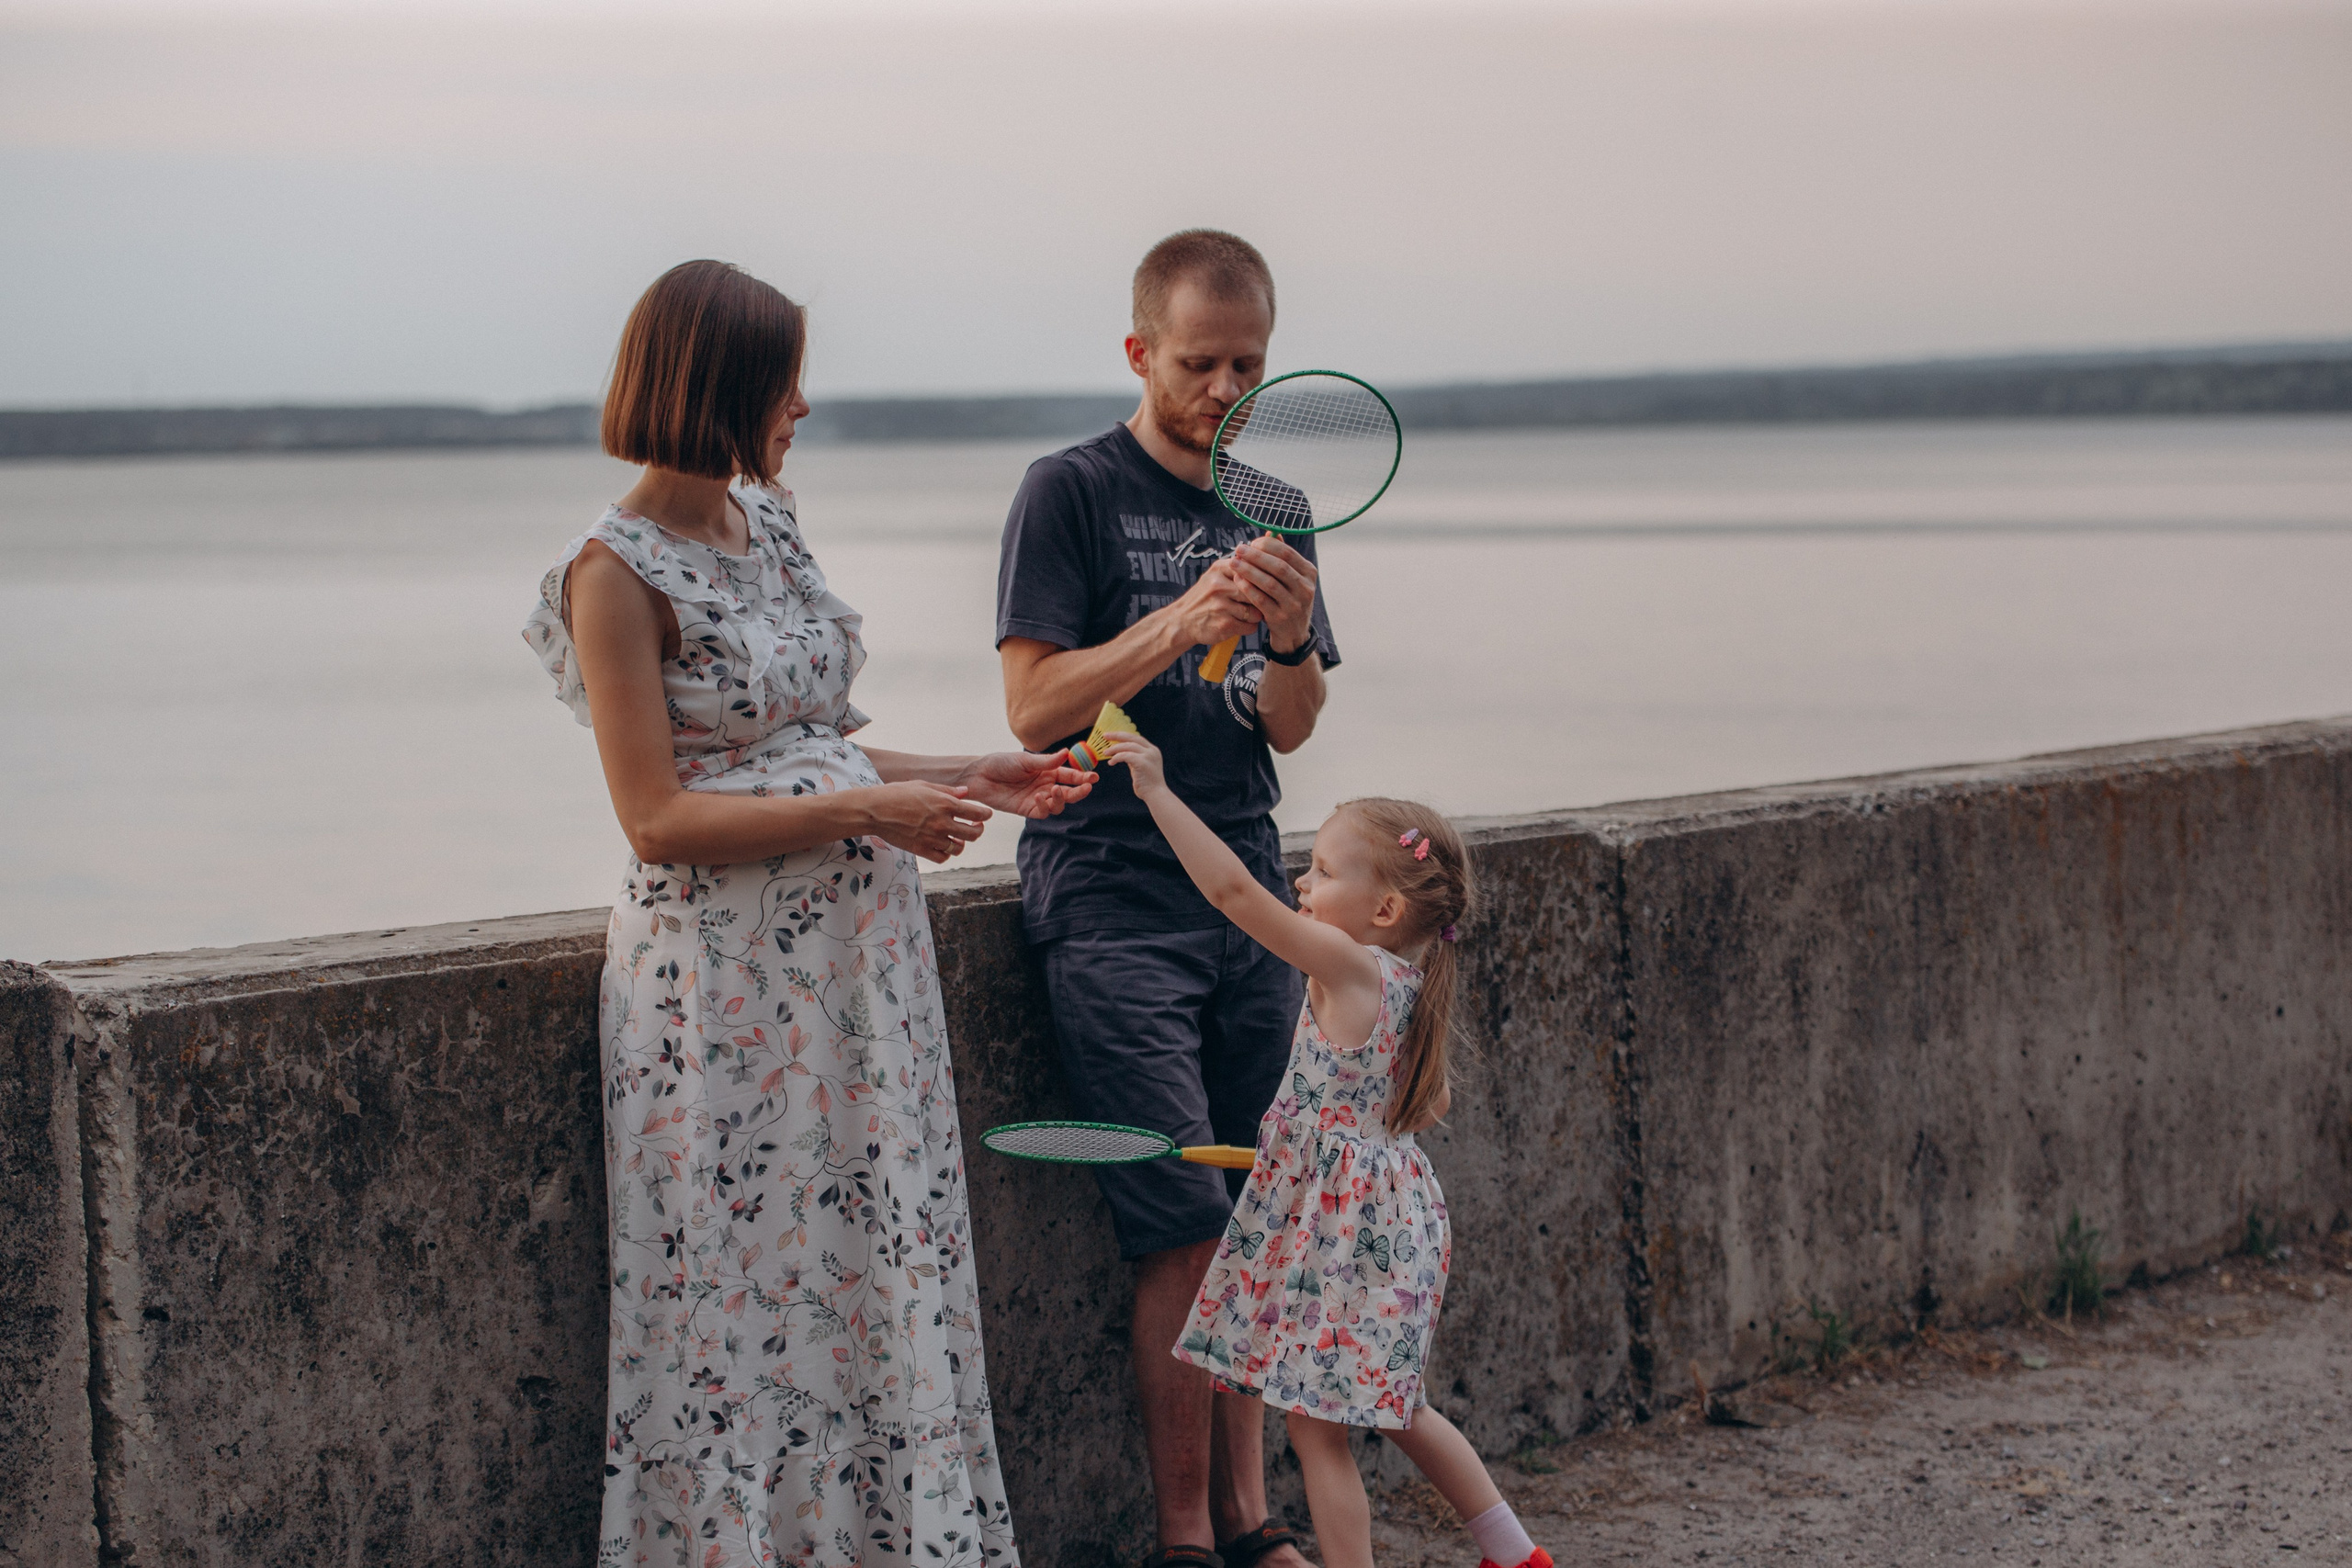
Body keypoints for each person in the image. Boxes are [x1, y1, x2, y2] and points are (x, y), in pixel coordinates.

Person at [525, 259, 1091, 1566]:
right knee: (742, 1297)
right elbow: (656, 816)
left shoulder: (770, 524)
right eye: (784, 383)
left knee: (868, 1275)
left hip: (855, 981)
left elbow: (814, 745)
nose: (802, 408)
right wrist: (870, 812)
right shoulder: (610, 573)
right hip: (722, 992)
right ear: (718, 385)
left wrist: (964, 774)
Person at [994, 230, 1338, 1568]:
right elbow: (1032, 704)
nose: (1225, 390)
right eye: (1199, 363)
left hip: (1250, 893)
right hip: (1113, 898)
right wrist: (1181, 616)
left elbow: (1292, 724)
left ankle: (1252, 1523)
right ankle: (1186, 1538)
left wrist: (1290, 635)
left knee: (1254, 1217)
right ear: (1140, 352)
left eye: (1249, 365)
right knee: (1182, 1223)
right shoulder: (1069, 490)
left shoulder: (1279, 505)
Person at [1096, 735, 1552, 1568]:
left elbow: (1233, 891)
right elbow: (1421, 1105)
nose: (1302, 882)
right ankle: (1517, 1554)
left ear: (1385, 909)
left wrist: (1157, 790)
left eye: (1324, 870)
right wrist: (1308, 1151)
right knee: (1400, 1406)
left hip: (1346, 1239)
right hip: (1394, 1221)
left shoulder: (1348, 966)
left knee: (1317, 1431)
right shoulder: (1411, 985)